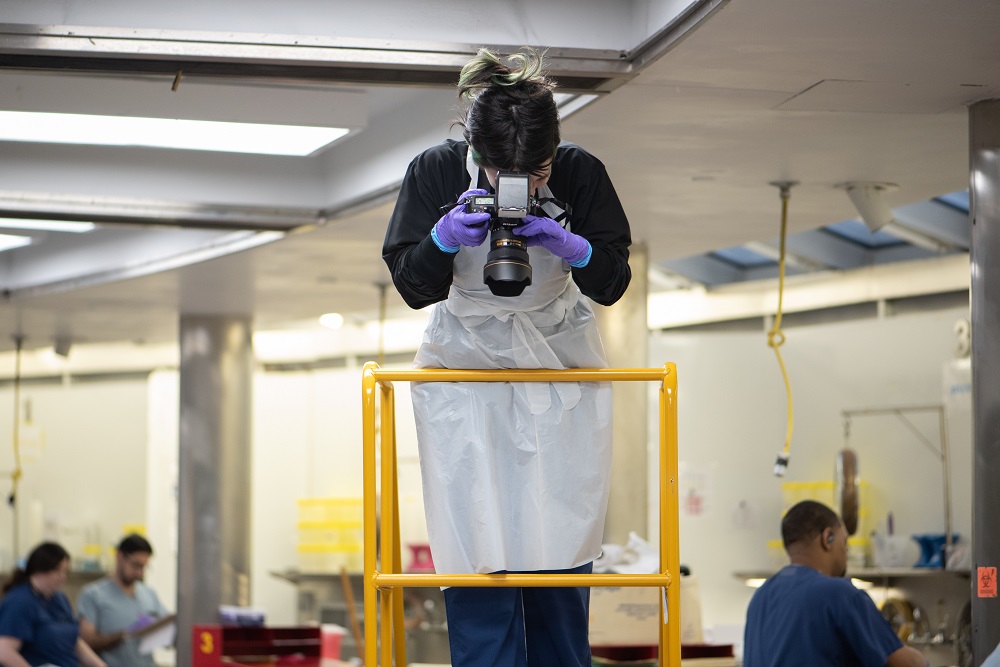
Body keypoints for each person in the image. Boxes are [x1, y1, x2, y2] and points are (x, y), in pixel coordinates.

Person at [382, 47, 631, 667]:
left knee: (560, 548)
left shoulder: (582, 173)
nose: (522, 188)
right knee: (476, 546)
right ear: (474, 151)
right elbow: (413, 287)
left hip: (559, 364)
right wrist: (442, 241)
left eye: (538, 173)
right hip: (464, 372)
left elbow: (612, 283)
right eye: (500, 175)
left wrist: (571, 246)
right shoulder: (434, 172)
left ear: (555, 152)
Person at [743, 500, 928, 667]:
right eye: (845, 543)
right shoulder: (838, 593)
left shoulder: (760, 597)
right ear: (828, 538)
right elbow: (902, 663)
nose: (846, 553)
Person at [0, 541, 108, 667]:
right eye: (57, 570)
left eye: (65, 571)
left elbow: (73, 641)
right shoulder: (19, 602)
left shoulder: (59, 598)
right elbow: (4, 652)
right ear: (39, 569)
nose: (63, 577)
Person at [77, 533, 170, 667]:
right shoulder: (93, 595)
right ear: (120, 557)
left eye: (144, 567)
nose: (140, 573)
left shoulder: (149, 594)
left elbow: (167, 632)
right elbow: (86, 643)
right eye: (135, 565)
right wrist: (123, 635)